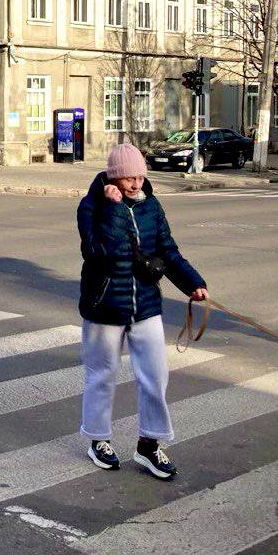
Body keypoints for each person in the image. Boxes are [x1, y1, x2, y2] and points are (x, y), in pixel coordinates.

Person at [76, 143, 209, 481]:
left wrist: (192, 283)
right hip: (105, 304)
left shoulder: (151, 206)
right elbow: (97, 252)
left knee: (155, 374)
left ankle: (149, 444)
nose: (136, 184)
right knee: (101, 376)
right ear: (112, 177)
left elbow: (168, 250)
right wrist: (112, 208)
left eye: (139, 177)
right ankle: (98, 439)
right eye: (128, 178)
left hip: (146, 303)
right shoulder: (92, 206)